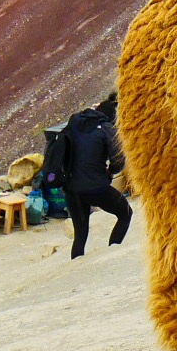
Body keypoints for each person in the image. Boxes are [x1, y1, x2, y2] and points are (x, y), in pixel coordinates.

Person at [55, 92, 130, 259]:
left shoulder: (74, 122)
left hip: (71, 188)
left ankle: (75, 266)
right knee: (125, 213)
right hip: (96, 188)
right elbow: (118, 160)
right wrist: (110, 173)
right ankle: (113, 252)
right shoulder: (106, 129)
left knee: (80, 234)